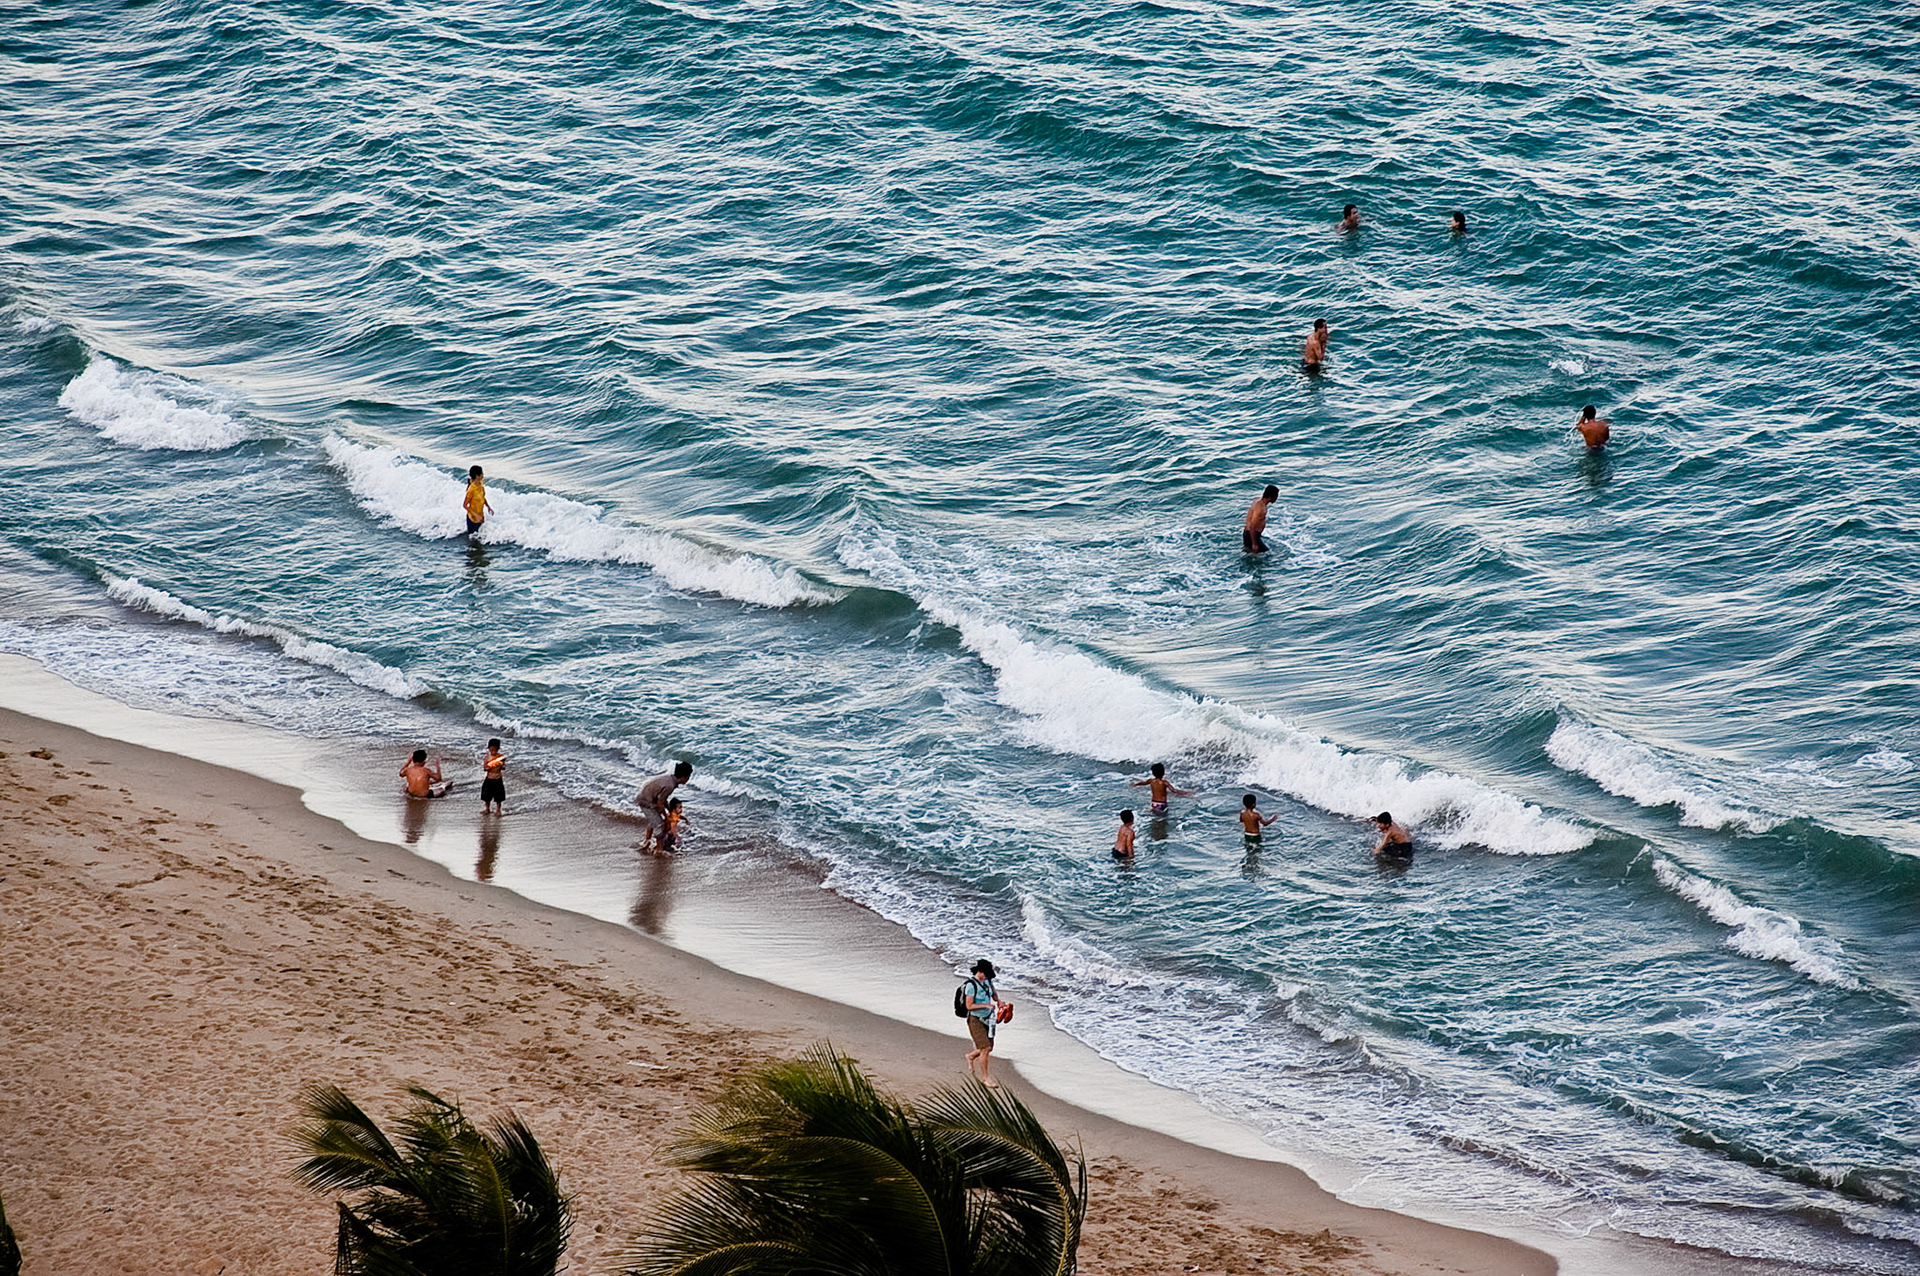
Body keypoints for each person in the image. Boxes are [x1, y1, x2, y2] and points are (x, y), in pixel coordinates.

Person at [963, 959, 1008, 1088]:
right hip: (975, 1020)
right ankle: (985, 1078)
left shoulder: (987, 981)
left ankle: (970, 1056)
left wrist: (998, 1001)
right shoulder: (971, 986)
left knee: (989, 1047)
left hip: (988, 1019)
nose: (988, 976)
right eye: (986, 974)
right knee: (985, 1049)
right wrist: (986, 1005)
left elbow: (993, 994)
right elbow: (969, 1005)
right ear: (980, 971)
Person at [637, 760, 694, 839]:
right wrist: (666, 817)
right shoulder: (670, 786)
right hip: (645, 801)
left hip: (648, 796)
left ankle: (647, 841)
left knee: (655, 819)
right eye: (688, 777)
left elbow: (663, 799)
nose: (688, 779)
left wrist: (669, 809)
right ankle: (659, 849)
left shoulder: (670, 779)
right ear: (684, 777)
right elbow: (660, 803)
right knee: (660, 826)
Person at [1131, 762, 1195, 816]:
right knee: (1163, 819)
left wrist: (1135, 784)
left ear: (1153, 773)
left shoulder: (1151, 781)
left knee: (1155, 817)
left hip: (1153, 803)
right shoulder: (1164, 782)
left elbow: (1143, 783)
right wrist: (1186, 793)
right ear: (1163, 772)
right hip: (1162, 804)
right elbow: (1174, 790)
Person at [1243, 484, 1278, 554]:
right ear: (1271, 496)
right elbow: (1252, 526)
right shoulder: (1261, 509)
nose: (1277, 497)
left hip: (1248, 534)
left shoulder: (1258, 501)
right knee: (1265, 554)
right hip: (1252, 535)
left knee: (1252, 554)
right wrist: (1254, 544)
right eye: (1276, 495)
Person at [463, 465, 493, 539]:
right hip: (472, 519)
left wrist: (488, 507)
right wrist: (476, 515)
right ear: (477, 476)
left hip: (480, 516)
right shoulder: (471, 489)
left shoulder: (480, 486)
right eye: (482, 474)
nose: (483, 475)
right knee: (472, 541)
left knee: (478, 540)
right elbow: (465, 505)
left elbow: (482, 498)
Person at [480, 738, 506, 815]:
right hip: (489, 778)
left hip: (498, 778)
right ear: (489, 749)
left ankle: (498, 810)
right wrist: (489, 767)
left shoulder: (500, 757)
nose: (493, 751)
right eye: (492, 749)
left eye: (495, 749)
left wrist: (501, 765)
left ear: (498, 749)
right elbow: (485, 768)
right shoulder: (487, 757)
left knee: (499, 796)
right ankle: (487, 808)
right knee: (486, 795)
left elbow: (504, 767)